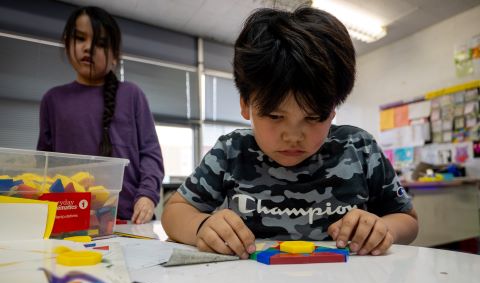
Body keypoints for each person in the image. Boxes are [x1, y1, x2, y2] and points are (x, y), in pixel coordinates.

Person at [161, 7, 418, 258]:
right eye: (275, 116)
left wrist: (384, 229)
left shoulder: (360, 148)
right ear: (245, 104)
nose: (293, 136)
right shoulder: (231, 151)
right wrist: (201, 227)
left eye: (314, 117)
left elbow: (407, 220)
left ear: (333, 109)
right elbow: (175, 212)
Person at [37, 6, 164, 224]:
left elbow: (150, 154)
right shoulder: (53, 99)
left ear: (115, 56)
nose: (89, 48)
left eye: (101, 43)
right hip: (71, 218)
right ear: (67, 43)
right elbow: (44, 165)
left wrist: (147, 195)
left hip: (130, 218)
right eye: (80, 38)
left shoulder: (132, 94)